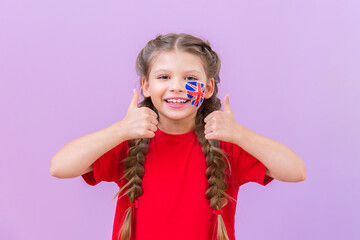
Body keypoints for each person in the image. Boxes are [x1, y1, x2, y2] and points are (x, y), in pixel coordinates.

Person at [50, 33, 306, 240]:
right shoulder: (128, 142)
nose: (177, 87)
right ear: (146, 87)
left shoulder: (226, 144)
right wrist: (120, 130)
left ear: (207, 88)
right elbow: (59, 167)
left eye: (190, 78)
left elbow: (296, 171)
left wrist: (240, 134)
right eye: (164, 77)